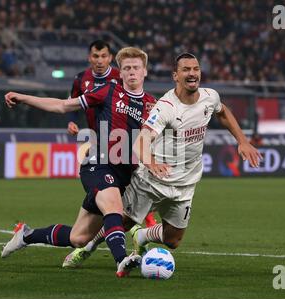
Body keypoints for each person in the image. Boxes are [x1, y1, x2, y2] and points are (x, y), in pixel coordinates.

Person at [63, 53, 262, 267]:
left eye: (195, 69)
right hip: (152, 179)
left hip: (185, 183)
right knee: (122, 221)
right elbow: (141, 142)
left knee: (173, 240)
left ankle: (142, 237)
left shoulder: (209, 96)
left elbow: (222, 111)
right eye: (186, 69)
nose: (192, 73)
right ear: (176, 75)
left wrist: (242, 141)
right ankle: (87, 247)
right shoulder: (166, 107)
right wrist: (152, 164)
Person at [1, 47, 157, 278]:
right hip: (98, 163)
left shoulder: (153, 106)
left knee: (79, 237)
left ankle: (26, 235)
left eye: (136, 68)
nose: (131, 72)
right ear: (120, 73)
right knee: (114, 207)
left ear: (144, 71)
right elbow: (63, 105)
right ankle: (121, 260)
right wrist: (24, 98)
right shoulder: (107, 91)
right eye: (126, 68)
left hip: (124, 174)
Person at [68, 40, 157, 228]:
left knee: (125, 191)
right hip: (96, 138)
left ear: (110, 58)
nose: (99, 60)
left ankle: (136, 219)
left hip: (123, 143)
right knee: (108, 196)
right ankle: (110, 227)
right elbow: (71, 102)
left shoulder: (120, 77)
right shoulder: (80, 79)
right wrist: (73, 120)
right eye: (95, 56)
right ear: (89, 57)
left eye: (103, 56)